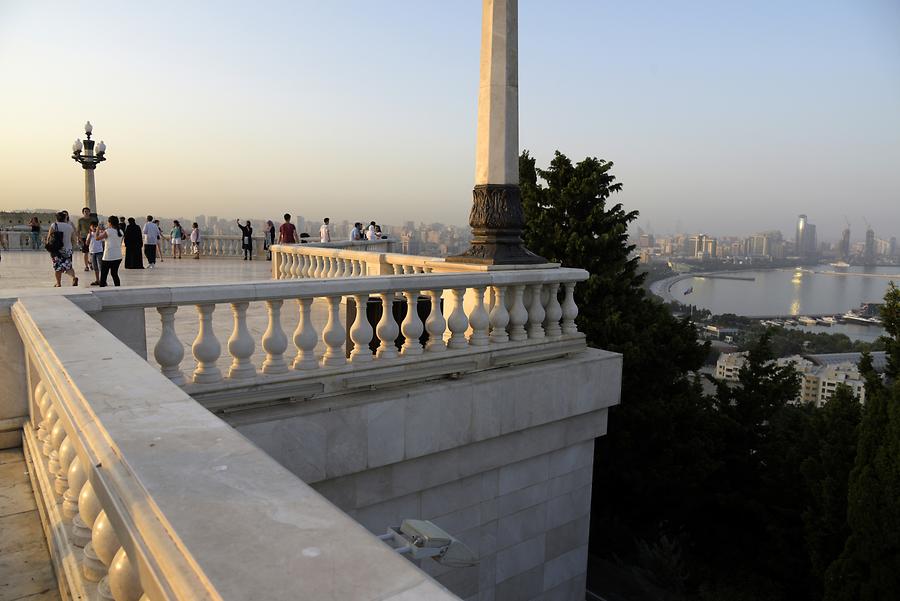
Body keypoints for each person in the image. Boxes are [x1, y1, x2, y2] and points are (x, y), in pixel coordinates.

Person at [46, 211, 79, 287]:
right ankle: (74, 278)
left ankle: (58, 283)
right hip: (68, 249)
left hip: (57, 250)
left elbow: (49, 237)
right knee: (68, 266)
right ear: (65, 218)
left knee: (57, 267)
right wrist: (72, 247)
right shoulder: (69, 226)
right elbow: (74, 239)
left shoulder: (54, 225)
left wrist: (49, 246)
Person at [96, 216, 123, 287]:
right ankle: (118, 287)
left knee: (104, 275)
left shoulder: (108, 231)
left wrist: (97, 230)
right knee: (114, 274)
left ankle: (102, 288)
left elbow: (97, 238)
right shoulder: (120, 231)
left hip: (108, 256)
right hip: (118, 256)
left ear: (110, 223)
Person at [76, 207, 94, 272]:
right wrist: (78, 238)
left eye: (87, 211)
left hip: (92, 237)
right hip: (84, 237)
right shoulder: (80, 220)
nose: (86, 213)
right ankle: (86, 266)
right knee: (85, 252)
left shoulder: (93, 219)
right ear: (83, 212)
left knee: (92, 252)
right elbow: (78, 230)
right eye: (85, 211)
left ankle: (90, 262)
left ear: (89, 212)